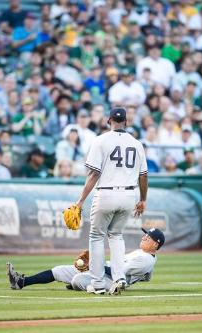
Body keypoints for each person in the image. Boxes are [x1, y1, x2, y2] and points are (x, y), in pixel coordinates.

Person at [75, 107, 148, 295]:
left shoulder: (100, 141)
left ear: (109, 121)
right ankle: (119, 277)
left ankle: (98, 283)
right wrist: (143, 199)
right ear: (126, 122)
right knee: (116, 235)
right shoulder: (137, 143)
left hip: (106, 193)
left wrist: (81, 200)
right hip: (128, 196)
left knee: (97, 237)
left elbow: (93, 174)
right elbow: (143, 176)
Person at [6, 228, 165, 291]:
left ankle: (80, 286)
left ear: (156, 244)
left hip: (110, 279)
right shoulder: (146, 256)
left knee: (77, 279)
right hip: (102, 271)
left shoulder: (146, 259)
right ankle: (21, 282)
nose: (144, 237)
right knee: (59, 270)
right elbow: (147, 277)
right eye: (145, 234)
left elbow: (118, 274)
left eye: (148, 237)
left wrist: (94, 265)